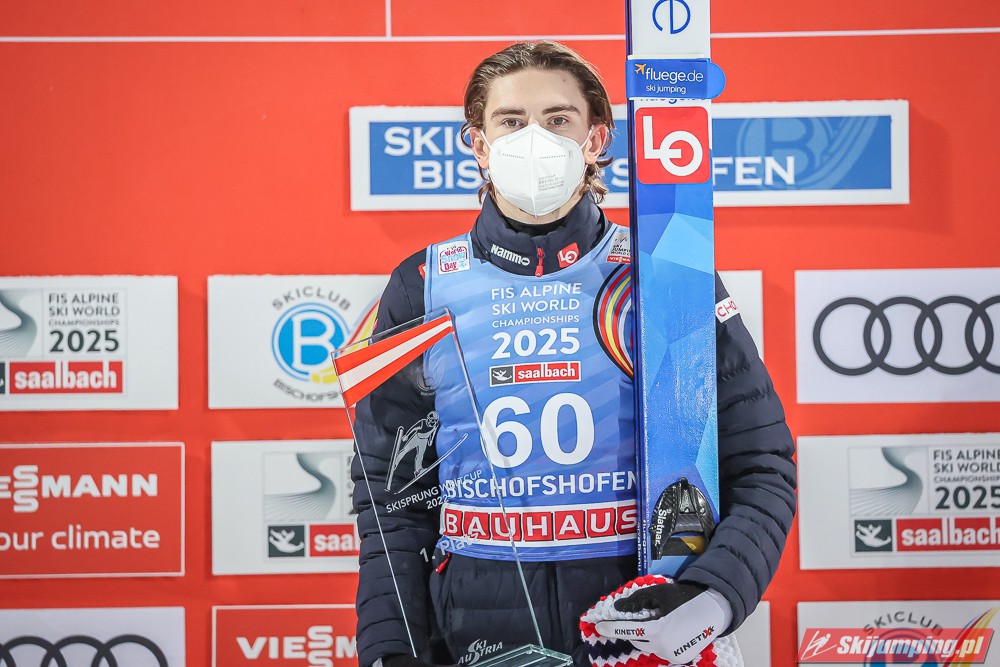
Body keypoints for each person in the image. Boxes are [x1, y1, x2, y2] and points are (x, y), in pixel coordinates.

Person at [351, 40, 796, 667]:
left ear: (596, 139)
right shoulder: (422, 285)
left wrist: (712, 596)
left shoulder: (664, 274)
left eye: (558, 119)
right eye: (511, 121)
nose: (535, 138)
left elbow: (761, 461)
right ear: (477, 144)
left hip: (639, 631)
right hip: (476, 636)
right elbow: (392, 496)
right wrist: (390, 648)